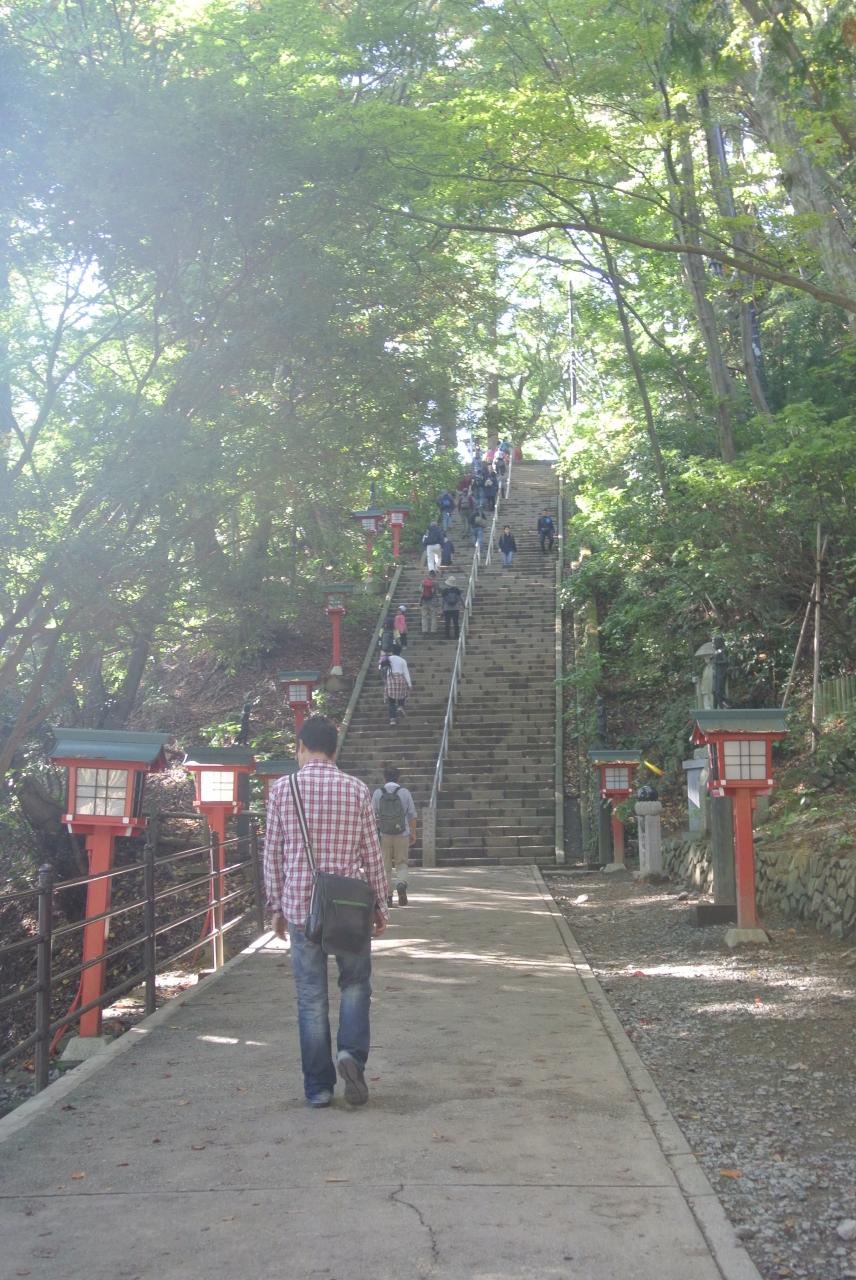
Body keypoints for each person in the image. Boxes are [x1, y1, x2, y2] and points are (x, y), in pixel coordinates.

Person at [263, 715, 388, 1109]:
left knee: (311, 997)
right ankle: (350, 1055)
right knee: (356, 985)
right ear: (335, 751)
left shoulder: (283, 790)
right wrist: (380, 904)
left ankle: (318, 1088)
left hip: (302, 907)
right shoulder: (357, 789)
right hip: (349, 909)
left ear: (300, 747)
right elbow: (372, 853)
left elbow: (273, 855)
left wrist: (276, 905)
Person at [372, 766, 417, 908]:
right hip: (402, 833)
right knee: (401, 863)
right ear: (398, 777)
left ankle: (388, 897)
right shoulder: (404, 792)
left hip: (384, 834)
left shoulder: (378, 793)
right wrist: (413, 833)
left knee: (385, 867)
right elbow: (412, 815)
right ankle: (401, 883)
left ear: (384, 778)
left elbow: (371, 815)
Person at [380, 648, 411, 724]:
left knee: (391, 701)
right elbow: (406, 673)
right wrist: (409, 684)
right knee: (402, 694)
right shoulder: (402, 660)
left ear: (392, 652)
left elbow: (381, 668)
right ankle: (400, 707)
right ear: (400, 652)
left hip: (390, 680)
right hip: (400, 679)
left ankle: (392, 720)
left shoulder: (388, 659)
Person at [441, 575, 464, 640]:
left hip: (447, 609)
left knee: (447, 623)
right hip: (455, 609)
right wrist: (464, 606)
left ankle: (447, 636)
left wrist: (442, 608)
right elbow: (461, 598)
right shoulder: (457, 590)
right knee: (456, 622)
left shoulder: (444, 591)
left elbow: (442, 601)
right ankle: (457, 636)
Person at [419, 569, 439, 634]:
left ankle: (424, 630)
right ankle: (433, 630)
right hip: (433, 601)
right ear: (434, 575)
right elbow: (437, 591)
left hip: (424, 600)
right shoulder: (435, 582)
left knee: (424, 616)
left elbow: (420, 590)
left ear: (429, 574)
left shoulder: (423, 581)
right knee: (433, 616)